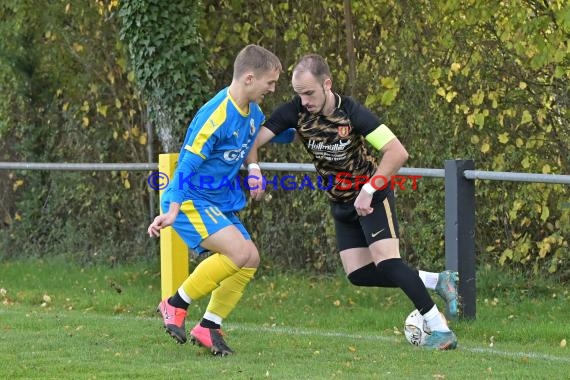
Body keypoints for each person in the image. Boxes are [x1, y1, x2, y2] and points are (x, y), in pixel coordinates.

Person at [246, 54, 458, 350]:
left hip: (372, 197)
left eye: (309, 93)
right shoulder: (295, 111)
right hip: (341, 204)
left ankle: (440, 328)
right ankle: (437, 281)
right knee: (358, 274)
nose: (304, 100)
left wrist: (370, 189)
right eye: (299, 94)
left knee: (389, 263)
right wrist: (254, 169)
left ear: (327, 84)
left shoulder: (353, 113)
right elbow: (252, 139)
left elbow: (397, 152)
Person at [147, 44, 282, 356]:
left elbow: (250, 140)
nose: (272, 89)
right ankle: (175, 303)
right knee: (237, 252)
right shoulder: (216, 115)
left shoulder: (254, 112)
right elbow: (187, 166)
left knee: (250, 259)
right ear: (249, 78)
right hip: (191, 198)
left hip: (219, 200)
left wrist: (254, 169)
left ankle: (209, 325)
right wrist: (172, 209)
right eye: (270, 83)